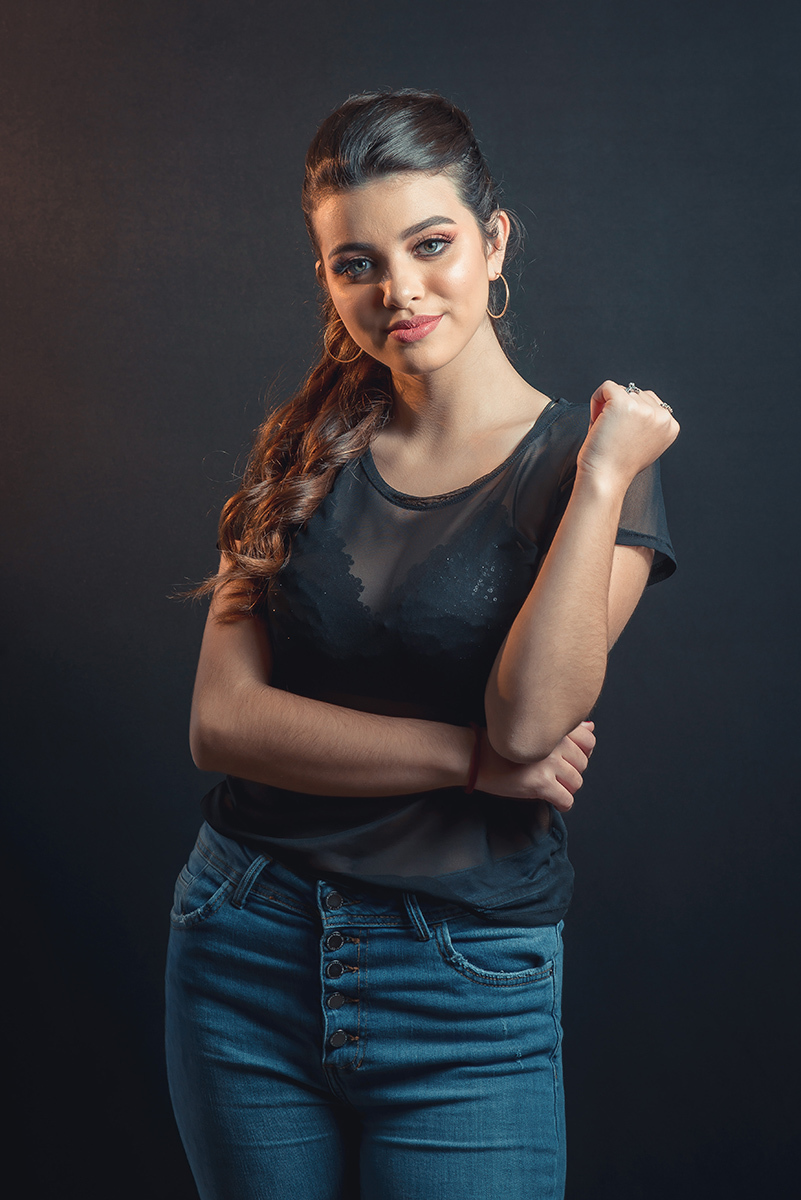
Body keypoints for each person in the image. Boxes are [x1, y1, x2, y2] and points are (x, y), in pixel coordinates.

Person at [165, 89, 678, 1200]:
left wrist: (600, 475)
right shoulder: (301, 445)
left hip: (463, 984)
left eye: (430, 244)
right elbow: (222, 721)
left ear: (494, 242)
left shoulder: (590, 468)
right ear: (327, 279)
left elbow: (530, 722)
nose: (397, 290)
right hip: (243, 941)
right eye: (356, 264)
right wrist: (469, 765)